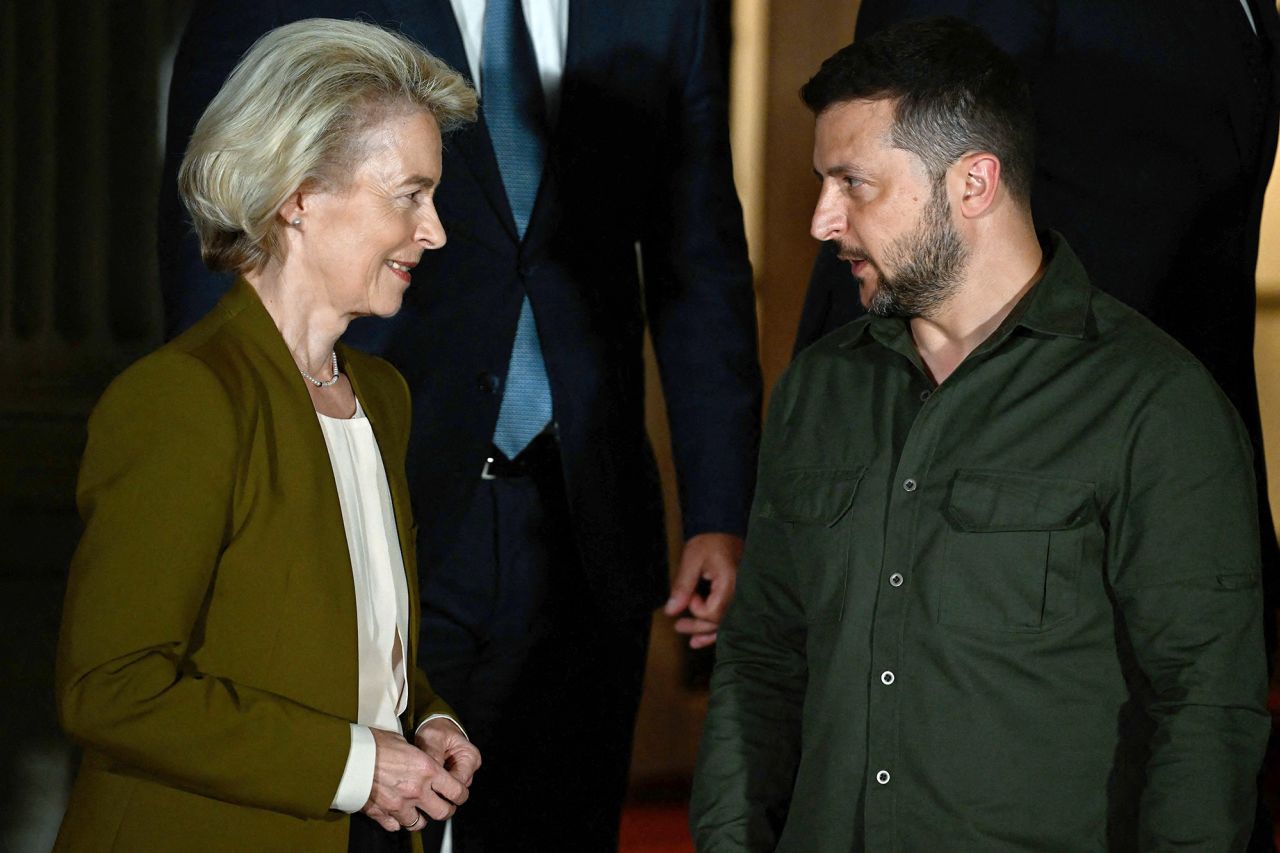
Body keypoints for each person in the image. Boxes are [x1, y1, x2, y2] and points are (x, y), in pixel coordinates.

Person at [160, 2, 761, 850]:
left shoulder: (664, 13)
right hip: (355, 504)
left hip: (586, 522)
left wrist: (721, 508)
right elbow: (212, 243)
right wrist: (240, 499)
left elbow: (698, 256)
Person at [691, 18, 1270, 852]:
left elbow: (1207, 708)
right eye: (824, 183)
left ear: (974, 182)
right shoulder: (818, 390)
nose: (822, 220)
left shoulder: (1155, 405)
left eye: (854, 183)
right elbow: (761, 665)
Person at [55, 19, 481, 853]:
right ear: (297, 195)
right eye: (410, 195)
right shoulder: (184, 397)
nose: (434, 231)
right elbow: (111, 687)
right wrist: (363, 766)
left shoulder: (382, 396)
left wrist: (422, 718)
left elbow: (351, 643)